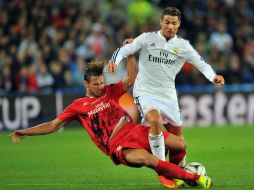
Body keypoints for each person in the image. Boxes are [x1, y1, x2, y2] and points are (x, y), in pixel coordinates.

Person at [10, 56, 212, 189]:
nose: (100, 87)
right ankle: (194, 178)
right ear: (86, 84)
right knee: (147, 160)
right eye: (96, 84)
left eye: (101, 82)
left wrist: (131, 55)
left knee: (180, 144)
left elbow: (131, 78)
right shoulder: (78, 106)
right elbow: (53, 125)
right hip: (118, 144)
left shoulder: (110, 91)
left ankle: (174, 173)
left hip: (135, 130)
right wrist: (26, 131)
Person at [108, 7, 225, 164]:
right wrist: (113, 62)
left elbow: (201, 64)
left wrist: (213, 76)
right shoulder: (147, 38)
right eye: (167, 22)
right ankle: (161, 165)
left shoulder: (183, 46)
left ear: (179, 24)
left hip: (168, 96)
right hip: (145, 92)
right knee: (155, 121)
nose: (170, 26)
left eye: (174, 23)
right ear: (161, 22)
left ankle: (180, 169)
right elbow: (124, 50)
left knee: (178, 141)